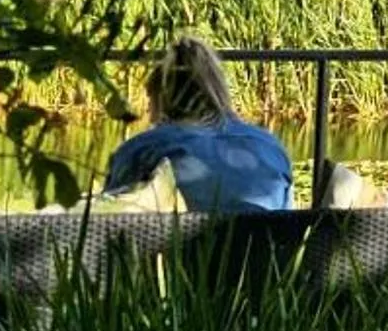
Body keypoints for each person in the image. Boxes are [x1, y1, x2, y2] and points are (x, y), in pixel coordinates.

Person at [99, 37, 294, 213]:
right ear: (220, 90)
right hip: (263, 250)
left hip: (182, 252)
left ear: (161, 98)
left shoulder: (144, 150)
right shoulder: (270, 147)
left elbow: (109, 222)